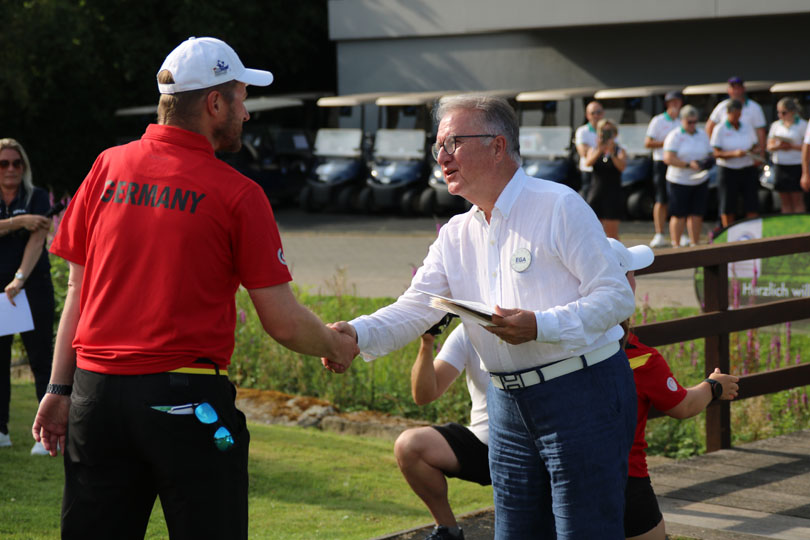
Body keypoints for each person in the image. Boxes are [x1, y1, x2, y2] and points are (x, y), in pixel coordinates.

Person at [31, 37, 358, 540]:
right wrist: (338, 344)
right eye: (242, 99)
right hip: (183, 399)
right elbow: (282, 320)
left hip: (94, 397)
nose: (246, 114)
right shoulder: (238, 193)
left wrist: (58, 389)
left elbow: (78, 291)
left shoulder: (107, 166)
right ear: (214, 103)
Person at [331, 94, 637, 539]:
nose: (441, 156)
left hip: (581, 394)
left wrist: (540, 326)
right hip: (506, 408)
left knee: (584, 531)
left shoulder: (558, 205)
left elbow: (615, 298)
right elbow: (416, 305)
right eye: (438, 146)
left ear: (497, 146)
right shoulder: (457, 234)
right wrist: (353, 334)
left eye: (452, 142)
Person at [606, 238, 740, 540]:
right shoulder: (640, 359)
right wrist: (712, 387)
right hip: (626, 478)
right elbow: (682, 406)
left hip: (569, 476)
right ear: (623, 287)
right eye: (631, 274)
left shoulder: (564, 349)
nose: (635, 280)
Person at [394, 320, 490, 540]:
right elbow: (424, 394)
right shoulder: (468, 331)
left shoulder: (538, 323)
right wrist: (427, 343)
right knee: (409, 446)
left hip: (534, 444)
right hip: (485, 443)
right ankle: (448, 531)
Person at [0, 138, 54, 455]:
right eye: (4, 163)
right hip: (1, 293)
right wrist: (17, 222)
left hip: (31, 288)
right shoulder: (22, 209)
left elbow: (37, 240)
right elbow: (27, 226)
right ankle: (1, 429)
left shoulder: (37, 196)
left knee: (41, 359)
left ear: (24, 166)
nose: (10, 169)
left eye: (16, 163)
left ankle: (46, 433)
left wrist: (19, 279)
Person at [662, 105, 713, 247]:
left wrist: (706, 162)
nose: (692, 125)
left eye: (694, 121)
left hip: (700, 179)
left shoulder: (702, 134)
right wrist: (688, 164)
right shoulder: (675, 135)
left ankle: (694, 244)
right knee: (679, 215)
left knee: (697, 213)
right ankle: (676, 245)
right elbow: (668, 158)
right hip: (679, 180)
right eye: (689, 122)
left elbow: (710, 153)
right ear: (682, 120)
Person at [710, 99, 761, 228]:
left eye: (739, 114)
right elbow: (715, 152)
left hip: (747, 168)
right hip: (728, 169)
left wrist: (754, 151)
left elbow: (755, 145)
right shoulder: (719, 128)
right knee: (728, 205)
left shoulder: (747, 126)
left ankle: (752, 234)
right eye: (734, 114)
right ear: (728, 113)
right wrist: (733, 154)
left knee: (751, 203)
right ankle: (729, 234)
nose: (737, 117)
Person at [646, 91, 683, 248]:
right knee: (661, 200)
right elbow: (648, 142)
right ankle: (660, 234)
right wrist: (668, 143)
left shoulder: (684, 120)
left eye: (677, 101)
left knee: (679, 199)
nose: (674, 104)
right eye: (671, 102)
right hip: (661, 162)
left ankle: (680, 234)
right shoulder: (658, 120)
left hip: (679, 163)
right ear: (667, 104)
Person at [585, 118, 627, 239]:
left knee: (612, 234)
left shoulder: (619, 150)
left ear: (615, 134)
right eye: (603, 131)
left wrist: (612, 151)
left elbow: (622, 167)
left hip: (613, 194)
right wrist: (600, 149)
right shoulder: (594, 149)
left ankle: (617, 257)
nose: (606, 134)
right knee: (593, 233)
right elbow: (588, 163)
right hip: (596, 193)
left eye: (609, 132)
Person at [705, 77, 767, 159]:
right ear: (728, 90)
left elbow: (760, 131)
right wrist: (715, 147)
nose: (736, 91)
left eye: (738, 88)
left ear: (743, 89)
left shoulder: (754, 107)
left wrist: (761, 153)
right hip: (726, 157)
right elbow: (709, 127)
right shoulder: (722, 106)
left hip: (748, 156)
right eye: (733, 88)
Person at [766, 97, 807, 213]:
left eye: (784, 112)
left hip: (796, 165)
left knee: (797, 199)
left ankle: (801, 229)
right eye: (778, 112)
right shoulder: (775, 126)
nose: (780, 115)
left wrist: (791, 146)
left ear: (792, 111)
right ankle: (788, 228)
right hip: (780, 165)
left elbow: (806, 148)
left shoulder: (803, 125)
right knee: (784, 200)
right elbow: (769, 146)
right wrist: (779, 146)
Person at [575, 100, 605, 196]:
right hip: (588, 171)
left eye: (598, 112)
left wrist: (591, 150)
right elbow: (583, 153)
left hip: (604, 171)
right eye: (593, 113)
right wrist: (601, 149)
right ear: (587, 115)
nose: (596, 115)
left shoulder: (608, 130)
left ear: (603, 113)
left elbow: (614, 148)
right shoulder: (582, 131)